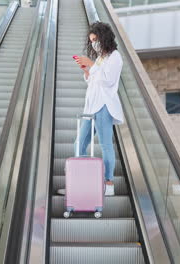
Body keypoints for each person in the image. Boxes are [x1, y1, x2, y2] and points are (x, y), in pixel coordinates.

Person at [59, 21, 124, 196]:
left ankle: (108, 183)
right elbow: (95, 82)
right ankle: (79, 182)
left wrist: (92, 65)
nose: (94, 43)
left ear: (104, 38)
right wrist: (88, 72)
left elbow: (108, 81)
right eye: (92, 40)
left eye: (96, 39)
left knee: (105, 145)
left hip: (104, 106)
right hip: (91, 106)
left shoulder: (115, 57)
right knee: (79, 143)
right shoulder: (101, 58)